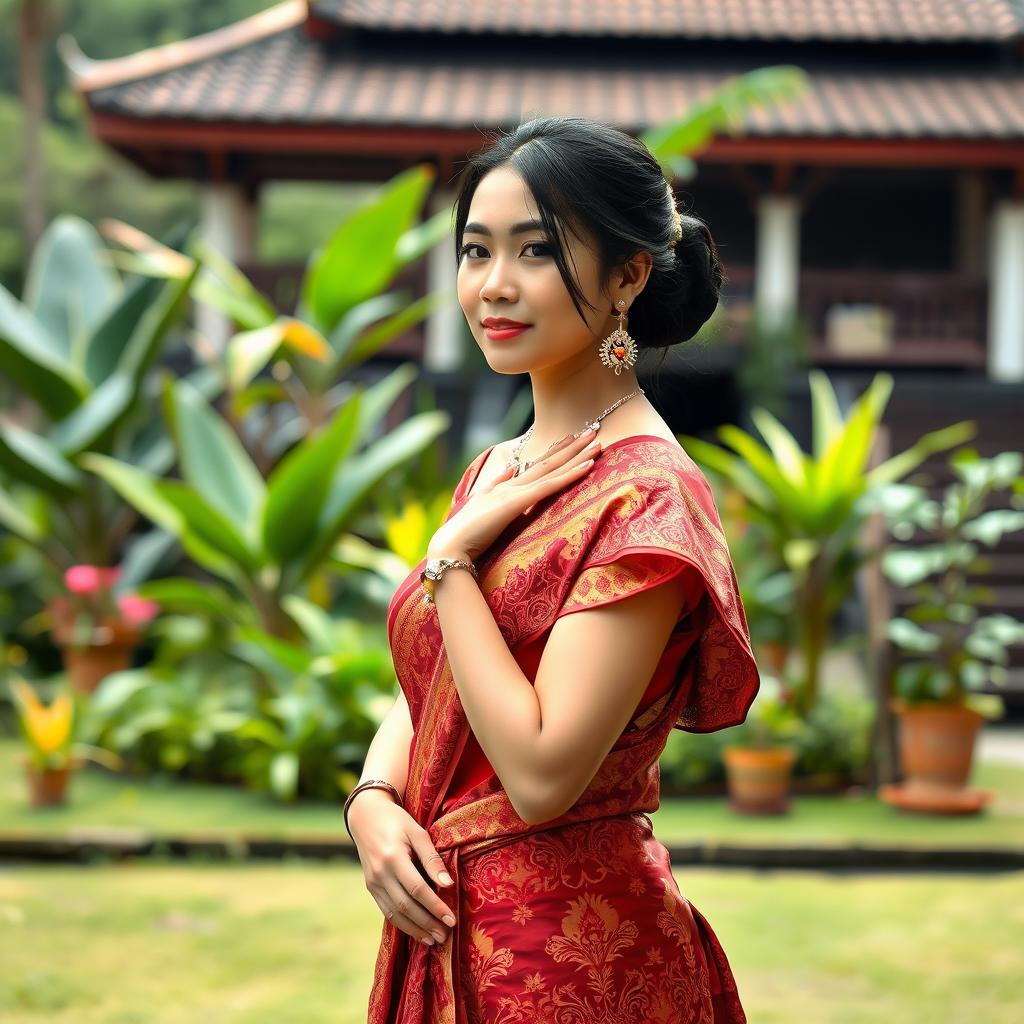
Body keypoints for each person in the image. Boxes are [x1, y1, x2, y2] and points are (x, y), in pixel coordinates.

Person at [346, 115, 761, 1024]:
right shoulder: (496, 470)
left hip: (574, 964)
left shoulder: (648, 497)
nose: (494, 286)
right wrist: (373, 800)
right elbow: (432, 687)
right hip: (445, 930)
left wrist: (449, 564)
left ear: (627, 276)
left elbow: (540, 774)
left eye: (536, 252)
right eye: (475, 250)